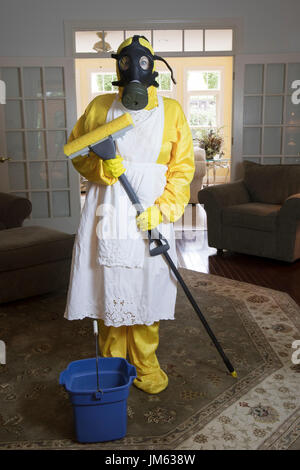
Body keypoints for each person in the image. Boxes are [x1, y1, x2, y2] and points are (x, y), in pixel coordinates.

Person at [64, 35, 195, 394]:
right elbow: (77, 152)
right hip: (107, 212)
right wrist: (102, 168)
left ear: (153, 67)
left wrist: (163, 210)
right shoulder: (99, 107)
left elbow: (181, 171)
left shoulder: (172, 112)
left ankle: (145, 363)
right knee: (109, 286)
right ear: (118, 67)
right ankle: (113, 362)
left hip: (147, 213)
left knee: (146, 288)